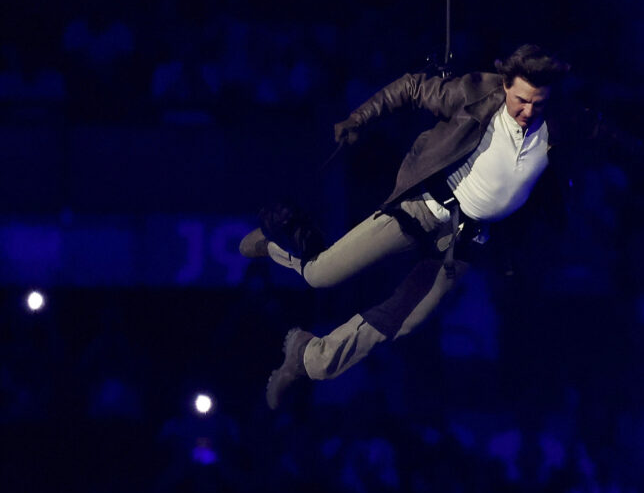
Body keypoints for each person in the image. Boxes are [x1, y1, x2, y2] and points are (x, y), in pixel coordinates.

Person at [241, 44, 571, 409]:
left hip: (463, 241)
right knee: (319, 274)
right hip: (422, 211)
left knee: (407, 320)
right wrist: (360, 118)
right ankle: (273, 244)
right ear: (506, 84)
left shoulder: (557, 121)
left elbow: (606, 133)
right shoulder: (475, 94)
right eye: (522, 100)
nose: (528, 111)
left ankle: (312, 356)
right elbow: (413, 87)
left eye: (538, 104)